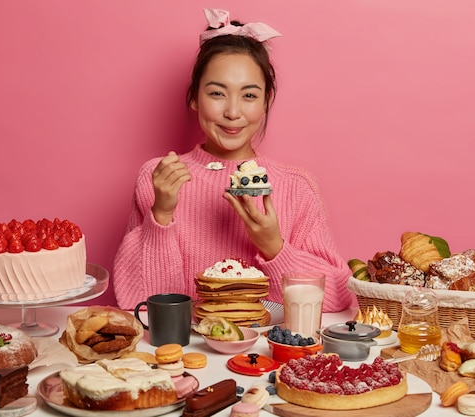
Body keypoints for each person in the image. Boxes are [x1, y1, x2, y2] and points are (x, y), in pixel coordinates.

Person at [113, 9, 352, 312]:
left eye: (249, 96)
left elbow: (338, 298)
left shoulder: (297, 187)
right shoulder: (158, 178)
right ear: (194, 98)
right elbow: (140, 303)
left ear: (266, 102)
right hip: (184, 355)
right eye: (217, 93)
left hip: (266, 356)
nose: (233, 112)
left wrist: (273, 246)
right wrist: (161, 215)